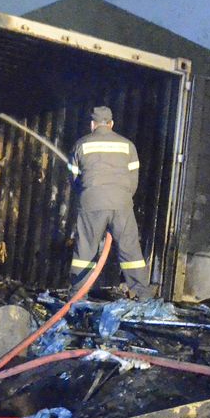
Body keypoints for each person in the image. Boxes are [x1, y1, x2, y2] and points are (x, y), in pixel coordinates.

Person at [66, 105, 154, 299]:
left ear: (92, 124)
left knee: (86, 249)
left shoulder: (81, 145)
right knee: (130, 250)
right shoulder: (128, 146)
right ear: (111, 124)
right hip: (121, 204)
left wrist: (89, 195)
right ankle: (141, 293)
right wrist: (119, 199)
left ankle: (78, 294)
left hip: (91, 203)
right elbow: (133, 180)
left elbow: (73, 179)